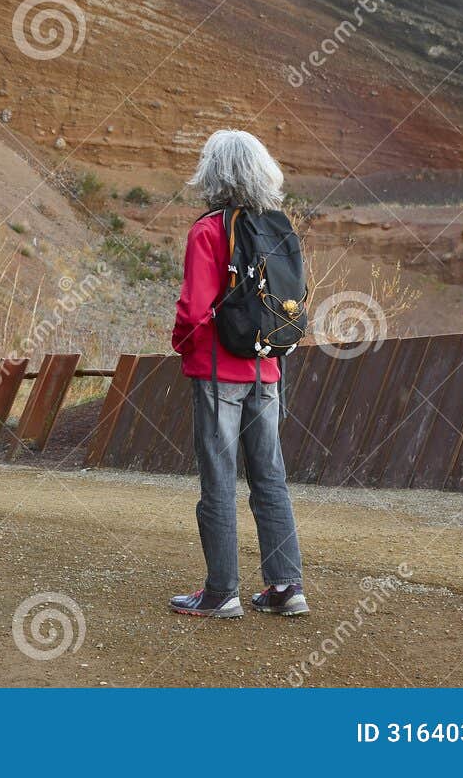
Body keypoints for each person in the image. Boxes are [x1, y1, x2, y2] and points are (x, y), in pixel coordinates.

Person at [168, 130, 307, 618]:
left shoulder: (208, 230)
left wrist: (182, 346)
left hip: (215, 371)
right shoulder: (276, 226)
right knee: (269, 476)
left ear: (215, 172)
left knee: (219, 479)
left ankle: (220, 592)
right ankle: (286, 587)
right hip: (267, 367)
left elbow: (193, 310)